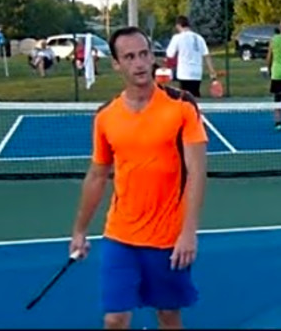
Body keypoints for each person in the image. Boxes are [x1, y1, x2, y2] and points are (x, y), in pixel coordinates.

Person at [69, 26, 208, 329]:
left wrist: (188, 232)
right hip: (120, 235)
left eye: (144, 54)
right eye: (129, 57)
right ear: (117, 64)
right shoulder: (106, 116)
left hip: (168, 239)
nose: (140, 63)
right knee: (115, 319)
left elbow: (197, 171)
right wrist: (79, 230)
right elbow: (96, 175)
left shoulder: (182, 106)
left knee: (168, 315)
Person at [165, 15, 217, 98]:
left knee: (185, 98)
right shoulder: (199, 38)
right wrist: (212, 73)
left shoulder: (178, 37)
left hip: (184, 73)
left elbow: (169, 54)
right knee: (195, 96)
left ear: (178, 25)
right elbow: (207, 56)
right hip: (197, 73)